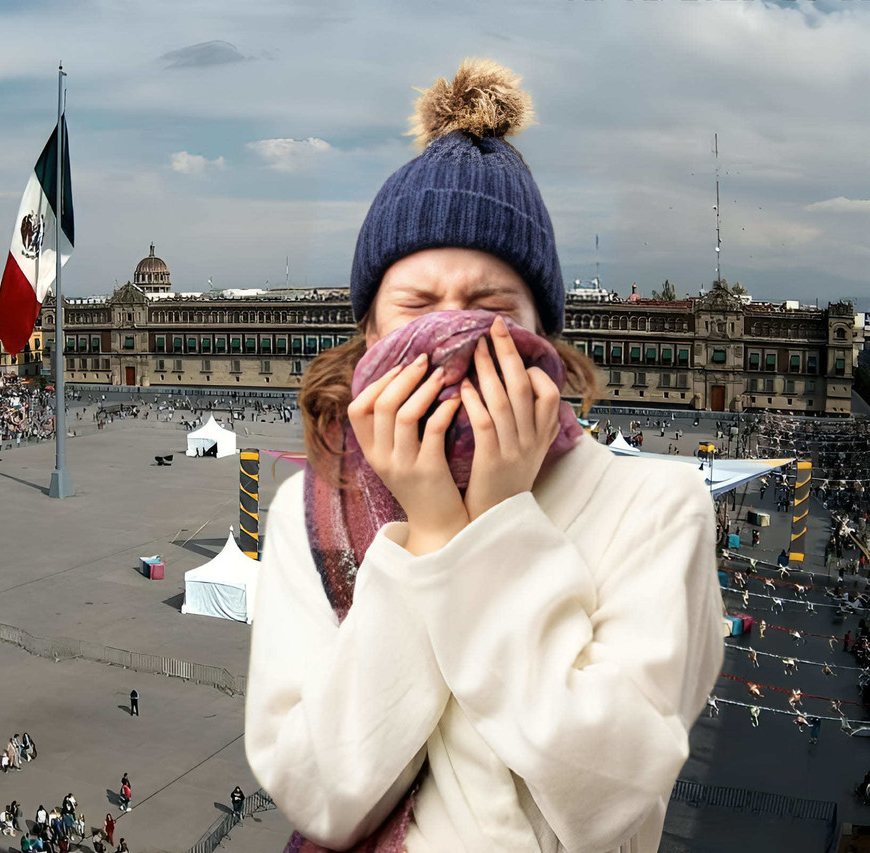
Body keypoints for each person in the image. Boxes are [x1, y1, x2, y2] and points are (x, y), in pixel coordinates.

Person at [242, 59, 724, 853]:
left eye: (491, 305)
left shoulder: (660, 508)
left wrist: (493, 525)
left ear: (544, 333)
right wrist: (430, 534)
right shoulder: (307, 513)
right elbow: (320, 795)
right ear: (369, 329)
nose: (451, 331)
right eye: (418, 305)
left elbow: (610, 800)